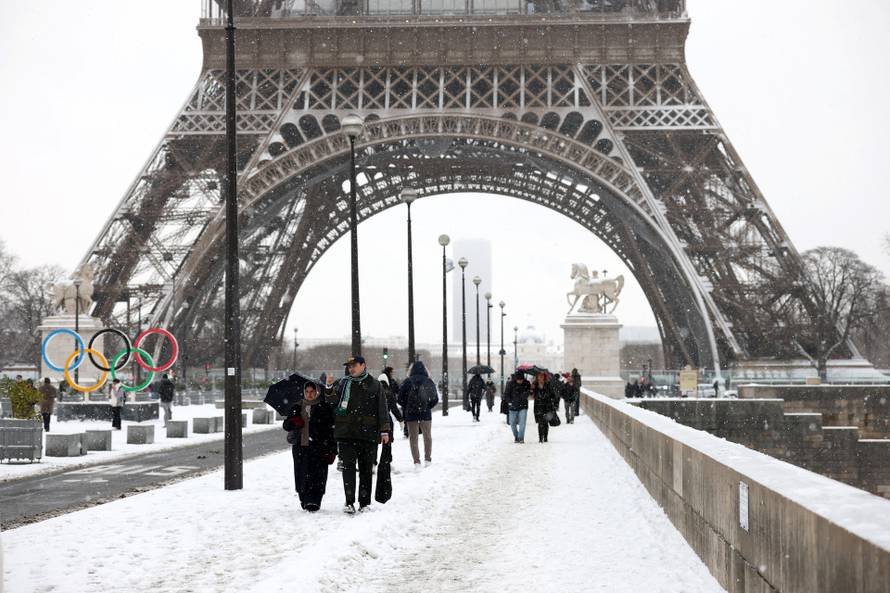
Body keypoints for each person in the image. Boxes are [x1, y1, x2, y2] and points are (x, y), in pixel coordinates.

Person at [323, 356, 390, 514]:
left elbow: (382, 408)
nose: (351, 369)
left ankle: (364, 503)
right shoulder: (343, 383)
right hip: (346, 434)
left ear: (363, 365)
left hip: (368, 434)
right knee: (348, 469)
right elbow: (332, 402)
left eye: (354, 365)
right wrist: (329, 387)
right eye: (349, 366)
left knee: (366, 470)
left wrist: (385, 430)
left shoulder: (375, 384)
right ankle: (349, 501)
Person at [282, 381, 337, 512]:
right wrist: (294, 422)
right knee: (301, 474)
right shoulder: (296, 407)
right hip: (301, 447)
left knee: (318, 475)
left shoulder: (324, 407)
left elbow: (331, 430)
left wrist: (332, 449)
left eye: (312, 392)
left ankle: (314, 500)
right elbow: (286, 425)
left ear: (317, 392)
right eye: (307, 392)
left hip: (319, 448)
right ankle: (303, 498)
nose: (309, 394)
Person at [398, 360, 439, 469]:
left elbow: (400, 398)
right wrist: (427, 406)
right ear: (424, 370)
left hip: (411, 415)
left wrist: (407, 407)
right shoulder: (428, 381)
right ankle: (427, 459)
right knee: (427, 437)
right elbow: (435, 398)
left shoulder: (407, 381)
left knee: (413, 438)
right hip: (425, 414)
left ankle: (416, 461)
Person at [503, 371, 531, 443]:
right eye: (518, 380)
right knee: (512, 423)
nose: (520, 381)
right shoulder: (510, 384)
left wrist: (525, 394)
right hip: (513, 407)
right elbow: (506, 394)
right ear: (516, 379)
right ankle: (516, 436)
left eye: (521, 380)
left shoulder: (527, 383)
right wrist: (510, 401)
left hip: (523, 406)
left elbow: (529, 392)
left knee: (522, 423)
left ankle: (521, 438)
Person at [532, 372, 555, 443]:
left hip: (547, 406)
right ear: (537, 377)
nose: (540, 378)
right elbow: (532, 395)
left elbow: (553, 395)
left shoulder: (548, 384)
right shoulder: (535, 384)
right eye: (539, 376)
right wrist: (532, 389)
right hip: (538, 406)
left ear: (544, 377)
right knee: (540, 422)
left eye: (542, 376)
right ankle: (540, 438)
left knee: (545, 422)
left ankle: (545, 437)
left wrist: (545, 390)